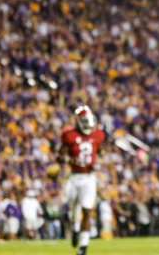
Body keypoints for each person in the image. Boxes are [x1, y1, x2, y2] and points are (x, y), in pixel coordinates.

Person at [58, 105, 106, 255]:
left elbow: (101, 151)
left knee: (87, 210)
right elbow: (60, 156)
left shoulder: (98, 134)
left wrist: (99, 161)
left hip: (89, 178)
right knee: (73, 210)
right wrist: (70, 160)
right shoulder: (69, 135)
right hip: (74, 177)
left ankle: (83, 247)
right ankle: (75, 228)